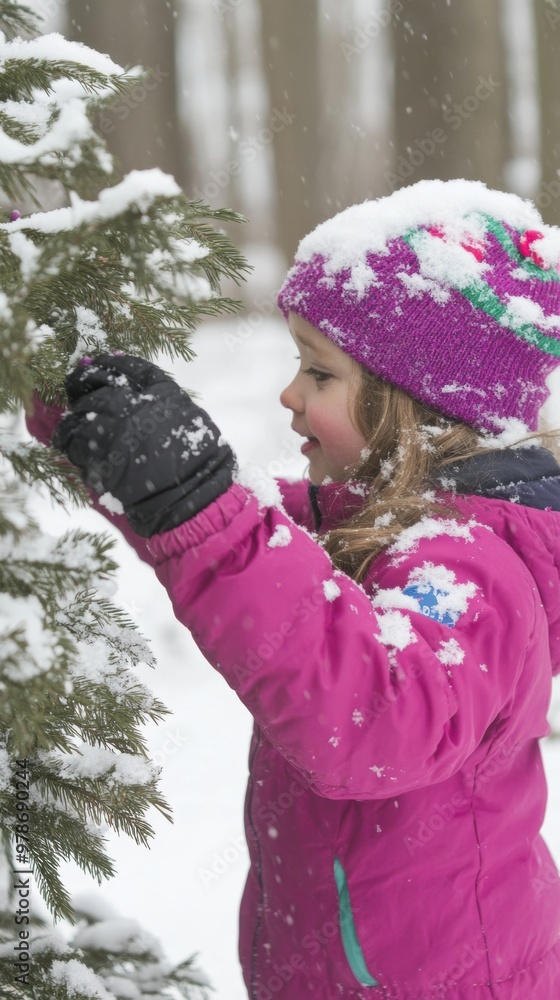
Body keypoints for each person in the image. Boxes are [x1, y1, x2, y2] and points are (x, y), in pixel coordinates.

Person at [27, 178, 560, 999]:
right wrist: (61, 374)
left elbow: (373, 719)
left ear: (414, 411)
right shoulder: (369, 529)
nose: (289, 395)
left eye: (319, 372)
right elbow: (215, 544)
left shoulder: (471, 571)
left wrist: (193, 499)